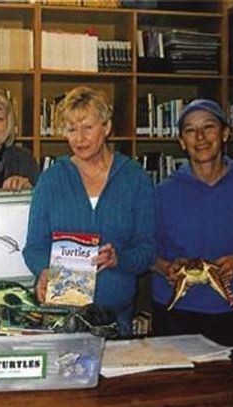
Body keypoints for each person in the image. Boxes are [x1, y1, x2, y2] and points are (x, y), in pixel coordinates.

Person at [23, 85, 156, 337]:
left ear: (106, 127)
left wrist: (120, 259)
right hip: (62, 319)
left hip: (116, 320)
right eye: (71, 129)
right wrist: (44, 269)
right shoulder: (51, 179)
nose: (79, 138)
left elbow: (147, 251)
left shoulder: (135, 178)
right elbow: (34, 247)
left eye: (87, 127)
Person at [151, 99, 233, 346]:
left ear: (225, 134)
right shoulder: (161, 193)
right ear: (182, 142)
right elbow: (144, 250)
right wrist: (166, 267)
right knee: (175, 385)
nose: (200, 137)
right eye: (190, 130)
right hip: (175, 314)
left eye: (208, 127)